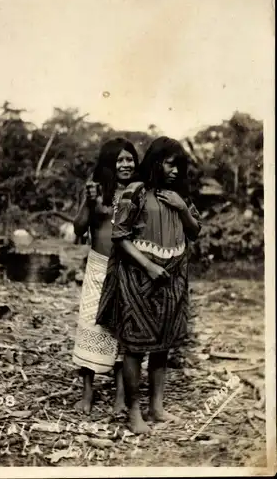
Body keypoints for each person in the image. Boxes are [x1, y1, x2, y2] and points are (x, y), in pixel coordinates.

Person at [96, 136, 202, 433]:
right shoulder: (136, 191)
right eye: (170, 164)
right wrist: (149, 265)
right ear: (156, 162)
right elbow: (120, 236)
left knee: (162, 346)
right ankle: (133, 412)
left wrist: (182, 208)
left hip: (173, 279)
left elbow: (195, 231)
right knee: (134, 347)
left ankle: (156, 408)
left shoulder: (181, 195)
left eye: (179, 165)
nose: (176, 171)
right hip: (139, 277)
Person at [72, 137, 140, 414]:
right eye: (120, 159)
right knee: (91, 325)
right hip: (99, 266)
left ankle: (120, 397)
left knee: (123, 332)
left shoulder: (139, 191)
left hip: (128, 269)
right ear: (110, 163)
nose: (126, 164)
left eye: (129, 159)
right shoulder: (96, 189)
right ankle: (87, 394)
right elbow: (78, 229)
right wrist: (90, 204)